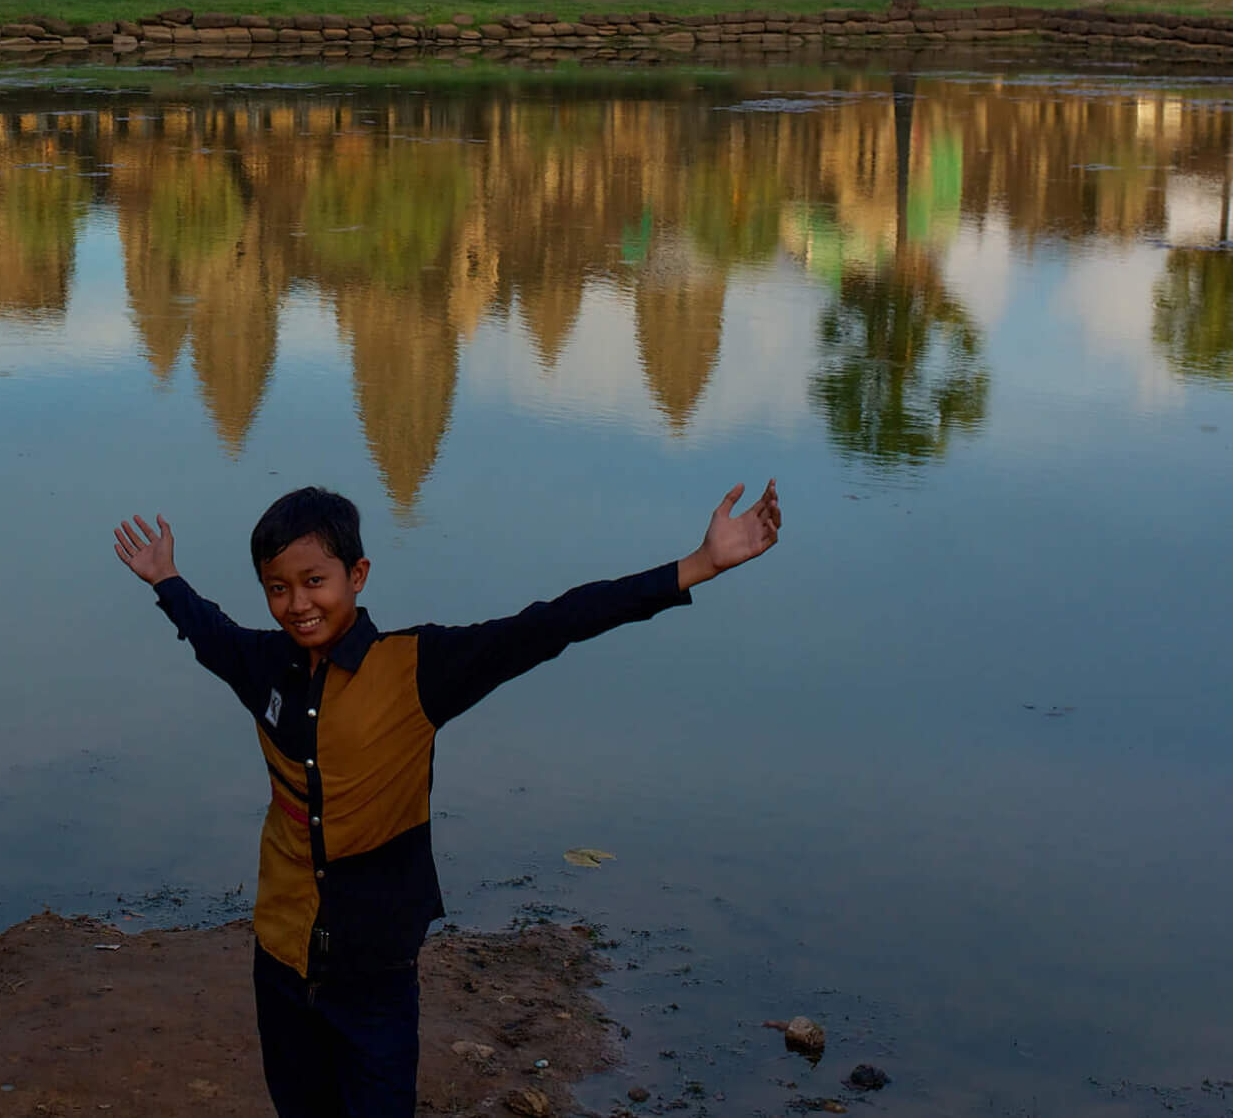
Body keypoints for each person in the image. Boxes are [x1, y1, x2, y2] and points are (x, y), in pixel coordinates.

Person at [111, 479, 782, 1118]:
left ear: (358, 576)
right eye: (277, 588)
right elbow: (207, 630)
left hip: (374, 971)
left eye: (314, 580)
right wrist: (165, 578)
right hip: (281, 962)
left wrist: (697, 564)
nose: (297, 603)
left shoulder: (416, 669)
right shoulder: (264, 667)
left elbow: (550, 625)